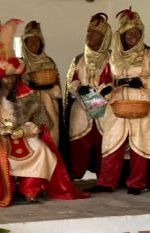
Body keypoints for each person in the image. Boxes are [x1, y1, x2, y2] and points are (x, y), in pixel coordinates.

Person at [0, 19, 88, 206]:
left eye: (13, 78)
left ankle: (30, 189)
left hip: (22, 135)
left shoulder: (27, 96)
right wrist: (0, 131)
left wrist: (24, 131)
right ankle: (5, 189)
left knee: (43, 150)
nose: (10, 82)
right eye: (6, 78)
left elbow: (38, 123)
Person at [86, 8, 150, 195]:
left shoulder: (148, 55)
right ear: (121, 34)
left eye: (138, 32)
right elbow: (105, 79)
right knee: (111, 142)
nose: (134, 36)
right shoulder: (112, 56)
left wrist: (143, 82)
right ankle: (106, 182)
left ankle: (136, 183)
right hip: (117, 103)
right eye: (130, 33)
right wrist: (105, 89)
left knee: (141, 143)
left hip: (142, 103)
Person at [65, 13, 113, 179]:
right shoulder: (78, 58)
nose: (89, 37)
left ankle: (104, 178)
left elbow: (117, 80)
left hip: (104, 109)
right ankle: (74, 175)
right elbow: (70, 81)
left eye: (95, 34)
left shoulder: (112, 59)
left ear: (104, 38)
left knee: (104, 143)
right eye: (88, 33)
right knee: (78, 142)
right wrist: (78, 88)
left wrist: (107, 89)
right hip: (81, 108)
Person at [20, 21, 62, 146]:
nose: (34, 44)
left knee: (50, 135)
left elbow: (57, 88)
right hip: (27, 106)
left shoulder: (49, 62)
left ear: (41, 43)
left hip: (48, 104)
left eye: (37, 41)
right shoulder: (20, 64)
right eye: (30, 41)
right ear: (25, 44)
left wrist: (50, 88)